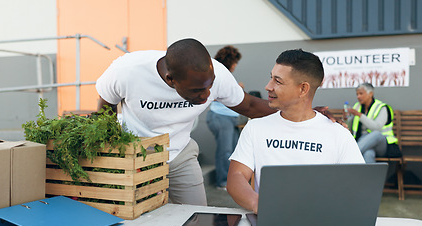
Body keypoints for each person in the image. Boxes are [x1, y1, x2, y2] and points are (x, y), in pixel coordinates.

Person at [96, 38, 335, 206]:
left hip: (179, 153)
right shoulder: (126, 71)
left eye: (210, 86)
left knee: (197, 216)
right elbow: (103, 114)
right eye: (198, 91)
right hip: (135, 156)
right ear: (170, 80)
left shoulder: (217, 73)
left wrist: (305, 112)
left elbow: (250, 106)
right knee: (137, 219)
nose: (207, 96)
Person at [226, 49, 365, 214]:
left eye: (278, 81)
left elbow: (357, 187)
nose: (268, 86)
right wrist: (258, 203)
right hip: (270, 222)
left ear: (303, 89)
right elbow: (236, 177)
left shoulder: (339, 134)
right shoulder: (255, 128)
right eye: (271, 78)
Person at [206, 45, 244, 190]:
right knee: (225, 150)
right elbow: (212, 95)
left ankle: (231, 182)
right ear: (231, 62)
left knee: (233, 152)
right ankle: (222, 182)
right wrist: (237, 89)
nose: (235, 65)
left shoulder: (225, 75)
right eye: (235, 62)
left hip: (229, 118)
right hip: (220, 117)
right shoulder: (216, 74)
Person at [346, 83, 400, 163]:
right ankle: (369, 176)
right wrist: (345, 118)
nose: (358, 97)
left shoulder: (381, 107)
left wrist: (359, 115)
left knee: (376, 134)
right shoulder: (357, 106)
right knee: (368, 153)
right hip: (363, 141)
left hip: (382, 144)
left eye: (361, 93)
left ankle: (349, 156)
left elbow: (377, 128)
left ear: (370, 93)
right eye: (357, 94)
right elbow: (348, 127)